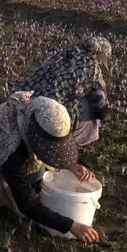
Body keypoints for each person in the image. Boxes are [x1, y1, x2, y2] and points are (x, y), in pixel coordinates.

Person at [0, 91, 100, 242]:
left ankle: (15, 197)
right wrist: (71, 225)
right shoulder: (12, 150)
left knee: (37, 168)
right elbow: (26, 203)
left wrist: (70, 165)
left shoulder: (30, 115)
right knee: (18, 190)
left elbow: (51, 149)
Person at [16, 36, 112, 178]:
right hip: (49, 114)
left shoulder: (62, 55)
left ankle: (46, 153)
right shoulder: (92, 68)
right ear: (100, 53)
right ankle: (66, 141)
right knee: (87, 105)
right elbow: (101, 110)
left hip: (23, 101)